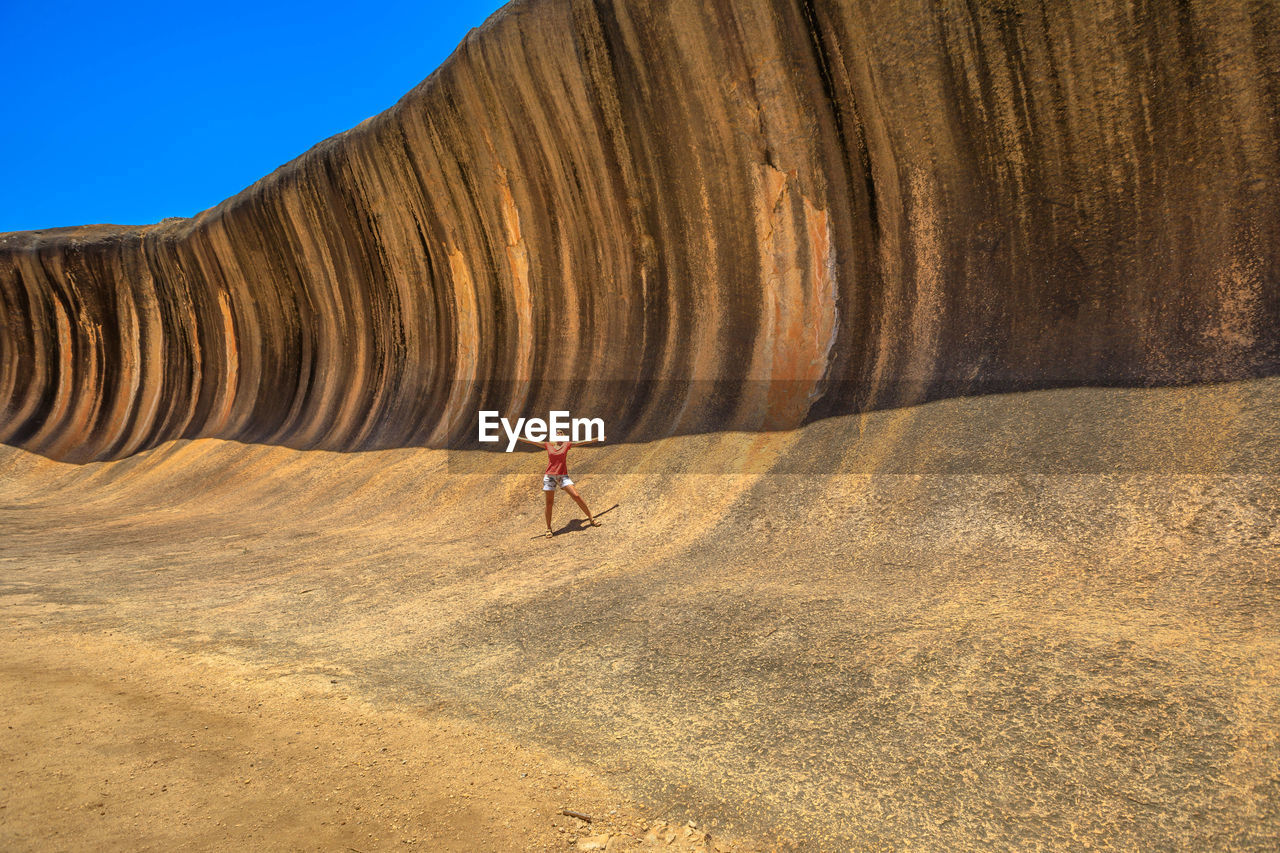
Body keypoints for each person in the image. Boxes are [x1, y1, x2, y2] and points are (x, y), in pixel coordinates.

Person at [514, 432, 604, 538]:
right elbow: (532, 441)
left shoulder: (566, 445)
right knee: (549, 502)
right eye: (557, 433)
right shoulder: (548, 445)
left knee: (576, 496)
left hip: (562, 476)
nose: (559, 434)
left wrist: (597, 438)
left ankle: (591, 519)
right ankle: (548, 528)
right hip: (549, 477)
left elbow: (582, 442)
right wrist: (517, 437)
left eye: (561, 433)